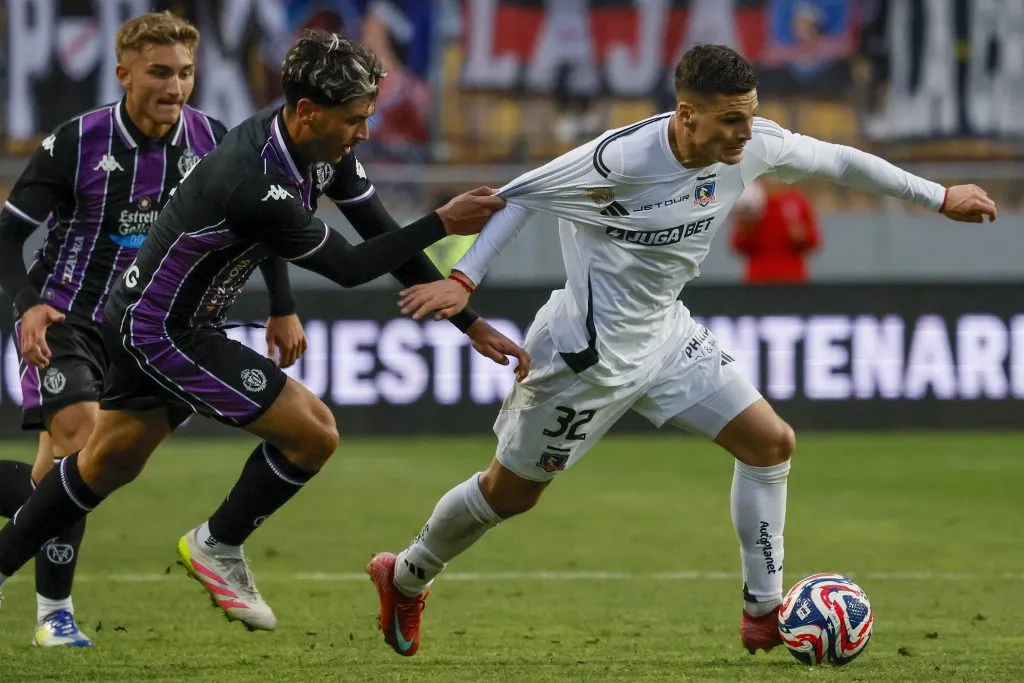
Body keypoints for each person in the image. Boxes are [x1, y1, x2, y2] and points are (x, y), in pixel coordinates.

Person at [369, 44, 997, 657]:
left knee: (770, 443)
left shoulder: (752, 145)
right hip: (583, 359)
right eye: (731, 120)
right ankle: (406, 576)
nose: (745, 134)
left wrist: (939, 197)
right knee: (510, 494)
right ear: (686, 113)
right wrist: (463, 279)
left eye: (749, 116)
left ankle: (762, 613)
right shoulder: (616, 160)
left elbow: (838, 160)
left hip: (667, 337)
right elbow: (518, 198)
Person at [0, 31, 527, 633]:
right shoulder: (252, 177)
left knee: (101, 467)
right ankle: (216, 544)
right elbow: (351, 268)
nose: (365, 131)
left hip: (162, 320)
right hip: (162, 332)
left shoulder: (322, 150)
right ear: (307, 112)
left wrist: (471, 322)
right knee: (313, 434)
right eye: (356, 118)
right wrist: (443, 219)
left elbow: (379, 233)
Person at [0, 11, 267, 648]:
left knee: (70, 480)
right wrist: (30, 305)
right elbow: (9, 233)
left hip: (148, 330)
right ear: (123, 74)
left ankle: (37, 577)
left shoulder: (213, 141)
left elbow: (260, 224)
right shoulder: (79, 141)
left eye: (185, 73)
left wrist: (280, 306)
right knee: (83, 445)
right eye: (159, 73)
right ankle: (52, 616)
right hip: (67, 317)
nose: (175, 86)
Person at [729, 177, 821, 283]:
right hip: (758, 280)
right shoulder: (752, 201)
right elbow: (737, 243)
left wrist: (802, 236)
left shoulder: (798, 201)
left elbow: (814, 241)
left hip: (792, 279)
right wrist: (746, 231)